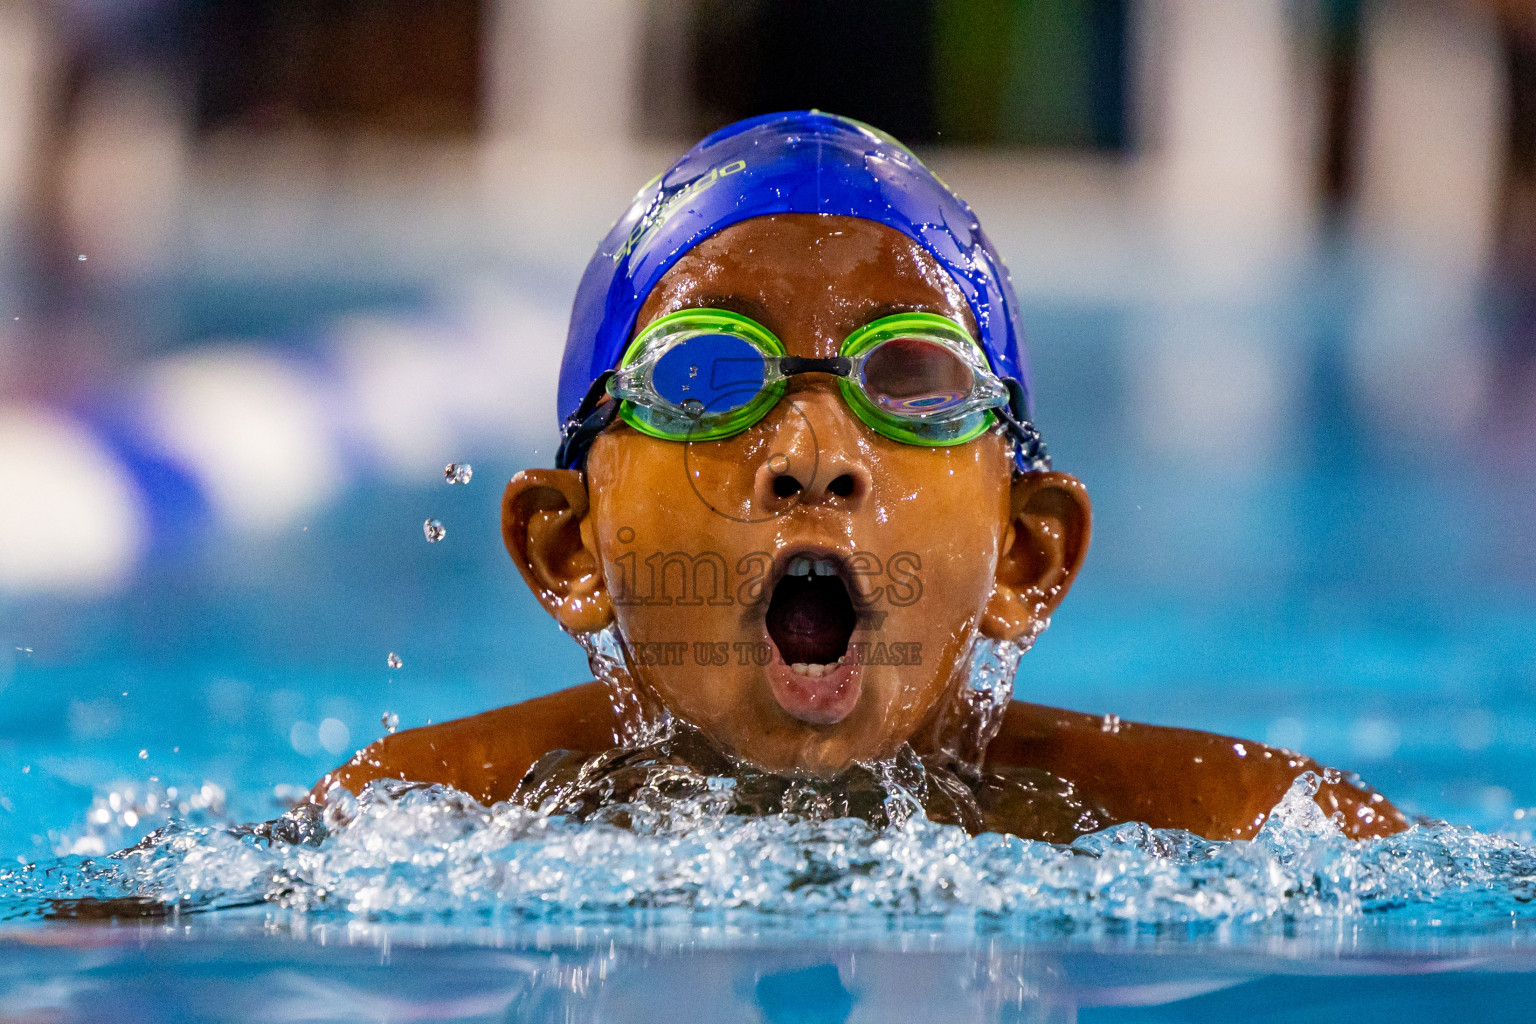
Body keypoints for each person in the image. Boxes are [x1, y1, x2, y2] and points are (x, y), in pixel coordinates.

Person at [312, 112, 1405, 841]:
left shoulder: (1235, 821)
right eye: (708, 378)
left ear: (1027, 554)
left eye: (910, 381)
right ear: (568, 547)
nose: (814, 459)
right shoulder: (420, 815)